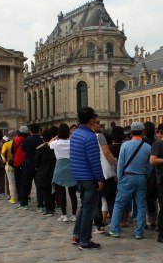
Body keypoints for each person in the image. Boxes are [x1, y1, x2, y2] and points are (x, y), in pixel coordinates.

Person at [108, 121, 152, 239]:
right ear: (143, 132)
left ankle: (115, 230)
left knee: (119, 204)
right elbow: (150, 165)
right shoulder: (148, 147)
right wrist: (145, 176)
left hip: (127, 177)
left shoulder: (125, 145)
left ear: (131, 133)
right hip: (141, 177)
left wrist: (120, 177)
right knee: (141, 205)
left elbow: (120, 163)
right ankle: (139, 232)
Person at [70, 107, 105, 250]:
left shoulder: (76, 134)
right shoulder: (90, 137)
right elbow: (94, 161)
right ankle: (85, 240)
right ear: (91, 119)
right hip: (89, 177)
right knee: (89, 210)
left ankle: (77, 235)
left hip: (79, 176)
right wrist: (100, 179)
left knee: (84, 207)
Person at [51, 124, 78, 222]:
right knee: (72, 194)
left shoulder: (56, 143)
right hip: (71, 167)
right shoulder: (72, 142)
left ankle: (64, 215)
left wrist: (56, 136)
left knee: (61, 193)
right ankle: (74, 214)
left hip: (60, 168)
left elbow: (49, 143)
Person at [34, 128, 57, 216]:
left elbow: (36, 162)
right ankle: (53, 207)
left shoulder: (39, 149)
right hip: (53, 170)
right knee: (52, 190)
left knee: (45, 191)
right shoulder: (53, 147)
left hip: (43, 171)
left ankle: (49, 209)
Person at [21, 124, 43, 210]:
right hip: (39, 164)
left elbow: (23, 149)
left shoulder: (27, 140)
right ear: (38, 130)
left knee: (25, 184)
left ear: (30, 131)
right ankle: (41, 205)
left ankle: (24, 203)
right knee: (39, 185)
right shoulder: (41, 140)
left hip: (29, 163)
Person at [1, 131, 18, 203]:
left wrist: (4, 160)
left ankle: (13, 197)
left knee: (11, 182)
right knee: (18, 181)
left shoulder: (6, 144)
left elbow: (2, 154)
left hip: (9, 164)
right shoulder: (18, 143)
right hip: (18, 163)